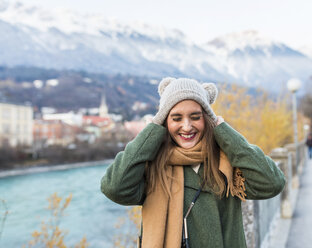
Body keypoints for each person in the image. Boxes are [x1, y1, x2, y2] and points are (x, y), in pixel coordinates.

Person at [100, 77, 286, 248]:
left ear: (207, 120)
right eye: (176, 118)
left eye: (196, 117)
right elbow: (114, 187)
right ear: (165, 121)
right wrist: (153, 128)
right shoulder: (153, 166)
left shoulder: (225, 162)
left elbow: (272, 183)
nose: (187, 126)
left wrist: (222, 129)